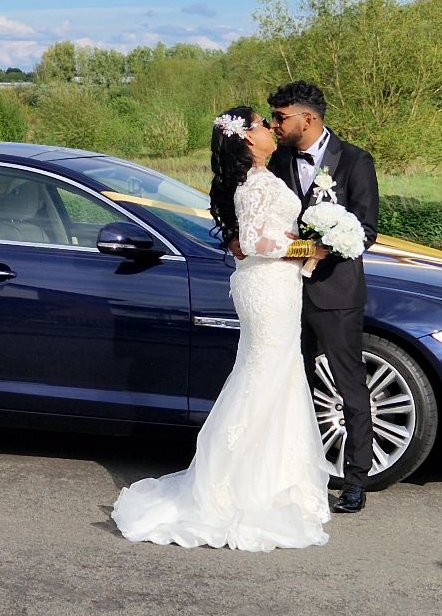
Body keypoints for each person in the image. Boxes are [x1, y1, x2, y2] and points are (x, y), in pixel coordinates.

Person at [111, 106, 331, 551]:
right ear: (248, 140)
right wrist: (313, 246)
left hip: (279, 287)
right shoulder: (252, 186)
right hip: (266, 288)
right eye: (261, 125)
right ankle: (238, 488)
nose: (270, 129)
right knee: (263, 377)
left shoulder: (265, 177)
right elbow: (251, 243)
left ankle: (276, 480)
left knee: (277, 377)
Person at [266, 81, 379, 514]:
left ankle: (355, 479)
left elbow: (366, 230)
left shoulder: (354, 161)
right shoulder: (277, 162)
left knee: (349, 387)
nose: (275, 125)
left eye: (281, 117)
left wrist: (326, 246)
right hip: (284, 290)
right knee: (293, 384)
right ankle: (297, 472)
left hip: (336, 293)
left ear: (307, 119)